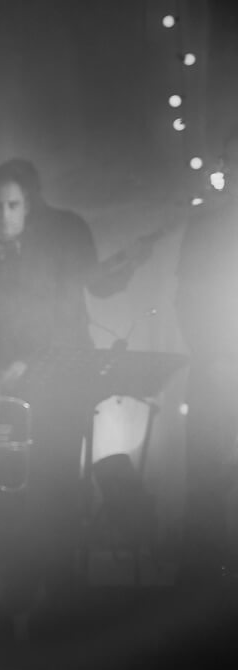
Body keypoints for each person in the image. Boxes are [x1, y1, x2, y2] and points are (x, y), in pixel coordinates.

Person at [0, 159, 144, 646]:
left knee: (58, 497)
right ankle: (11, 607)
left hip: (59, 391)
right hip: (3, 399)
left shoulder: (55, 244)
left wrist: (27, 366)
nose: (1, 214)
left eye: (12, 205)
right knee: (9, 503)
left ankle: (58, 608)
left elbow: (62, 317)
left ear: (28, 206)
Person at [175, 132, 238, 582]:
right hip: (216, 372)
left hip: (218, 369)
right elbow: (188, 301)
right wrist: (214, 356)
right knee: (208, 478)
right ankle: (207, 580)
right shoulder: (206, 225)